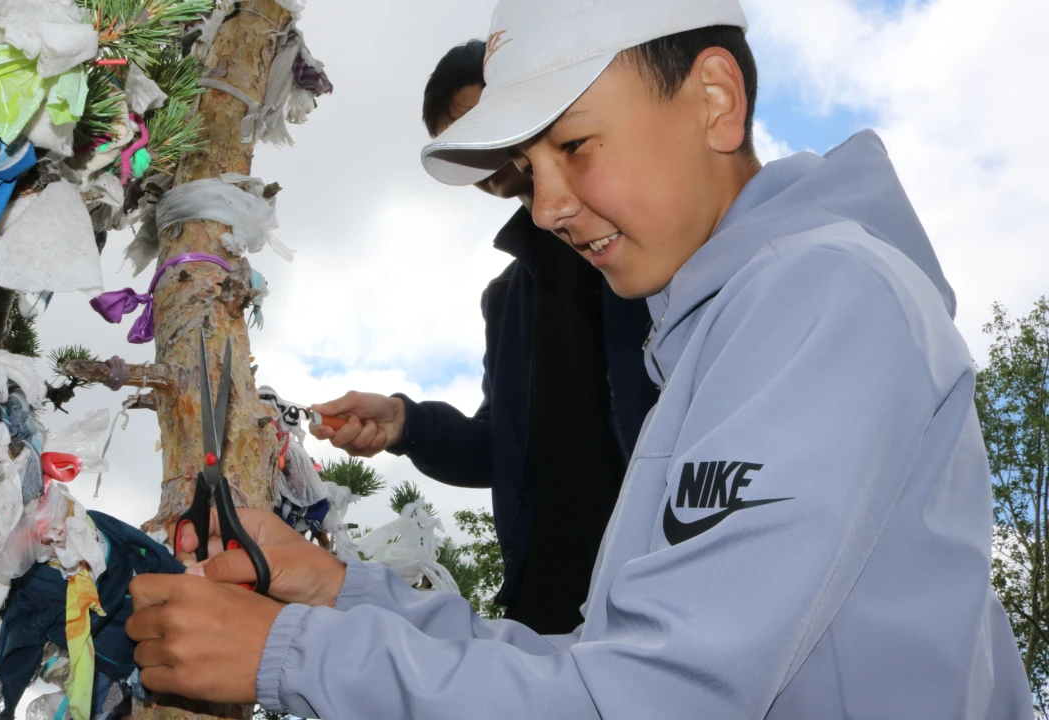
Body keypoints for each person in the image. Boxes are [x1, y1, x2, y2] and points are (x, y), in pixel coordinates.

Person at [126, 0, 1034, 717]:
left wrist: (286, 654)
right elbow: (600, 668)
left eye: (573, 146)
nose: (548, 207)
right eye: (525, 171)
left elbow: (650, 703)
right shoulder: (712, 332)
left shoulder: (822, 300)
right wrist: (334, 592)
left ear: (715, 100)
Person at [305, 39, 658, 635]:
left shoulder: (647, 230)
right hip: (551, 597)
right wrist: (404, 422)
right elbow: (499, 448)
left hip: (663, 562)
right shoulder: (507, 297)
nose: (480, 154)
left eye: (486, 122)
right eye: (459, 144)